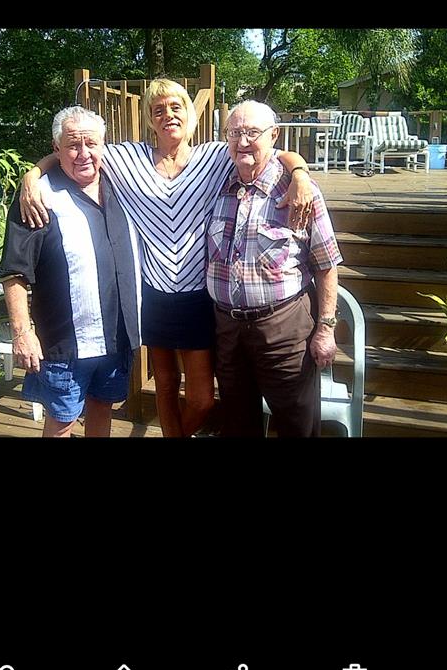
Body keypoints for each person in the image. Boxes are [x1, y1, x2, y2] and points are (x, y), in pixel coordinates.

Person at [19, 80, 314, 438]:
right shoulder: (126, 158)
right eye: (158, 109)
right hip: (153, 294)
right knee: (165, 387)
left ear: (188, 113)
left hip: (197, 297)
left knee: (202, 398)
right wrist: (32, 175)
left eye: (175, 107)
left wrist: (299, 172)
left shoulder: (215, 157)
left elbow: (270, 150)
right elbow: (77, 151)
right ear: (149, 118)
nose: (167, 115)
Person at [0, 107, 141, 437]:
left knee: (103, 408)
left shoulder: (124, 184)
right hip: (65, 341)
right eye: (73, 145)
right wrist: (22, 332)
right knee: (62, 422)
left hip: (117, 335)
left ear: (104, 145)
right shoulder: (39, 196)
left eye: (92, 143)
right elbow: (15, 270)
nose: (84, 153)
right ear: (56, 147)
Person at [206, 101, 343, 438]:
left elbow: (326, 265)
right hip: (227, 328)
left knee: (296, 424)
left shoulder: (298, 192)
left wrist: (326, 328)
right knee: (238, 424)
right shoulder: (216, 183)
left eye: (252, 133)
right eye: (234, 133)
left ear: (274, 136)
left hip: (283, 329)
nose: (242, 142)